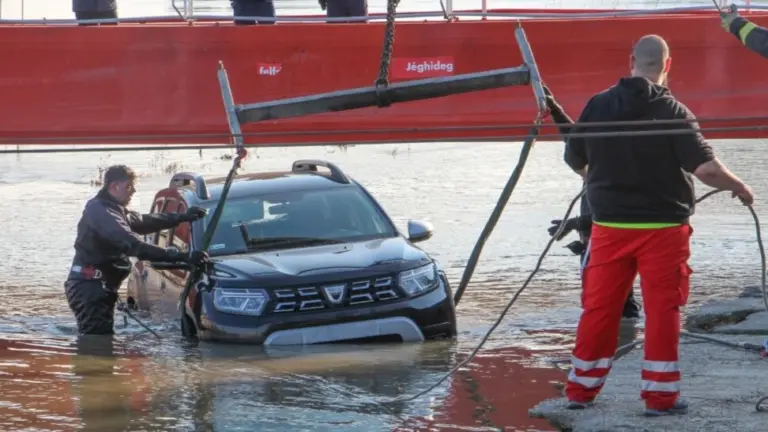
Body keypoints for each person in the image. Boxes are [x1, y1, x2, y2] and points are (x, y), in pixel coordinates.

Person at [560, 34, 754, 417]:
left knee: (599, 310)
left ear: (631, 60)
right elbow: (706, 169)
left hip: (610, 226)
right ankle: (659, 398)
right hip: (663, 228)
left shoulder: (597, 105)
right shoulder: (674, 111)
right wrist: (740, 186)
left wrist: (597, 177)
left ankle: (580, 392)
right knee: (663, 310)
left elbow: (574, 158)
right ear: (668, 65)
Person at [65, 165, 210, 336]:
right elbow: (132, 244)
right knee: (96, 346)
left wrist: (181, 217)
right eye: (128, 186)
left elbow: (141, 220)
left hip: (96, 287)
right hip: (90, 290)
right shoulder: (101, 211)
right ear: (113, 187)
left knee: (101, 345)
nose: (133, 191)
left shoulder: (112, 208)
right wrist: (182, 256)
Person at [542, 85, 642, 319]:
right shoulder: (599, 154)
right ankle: (625, 344)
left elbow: (614, 209)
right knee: (611, 299)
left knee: (615, 302)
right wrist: (555, 110)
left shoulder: (619, 164)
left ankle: (624, 344)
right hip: (595, 241)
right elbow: (573, 140)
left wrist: (575, 223)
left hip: (609, 241)